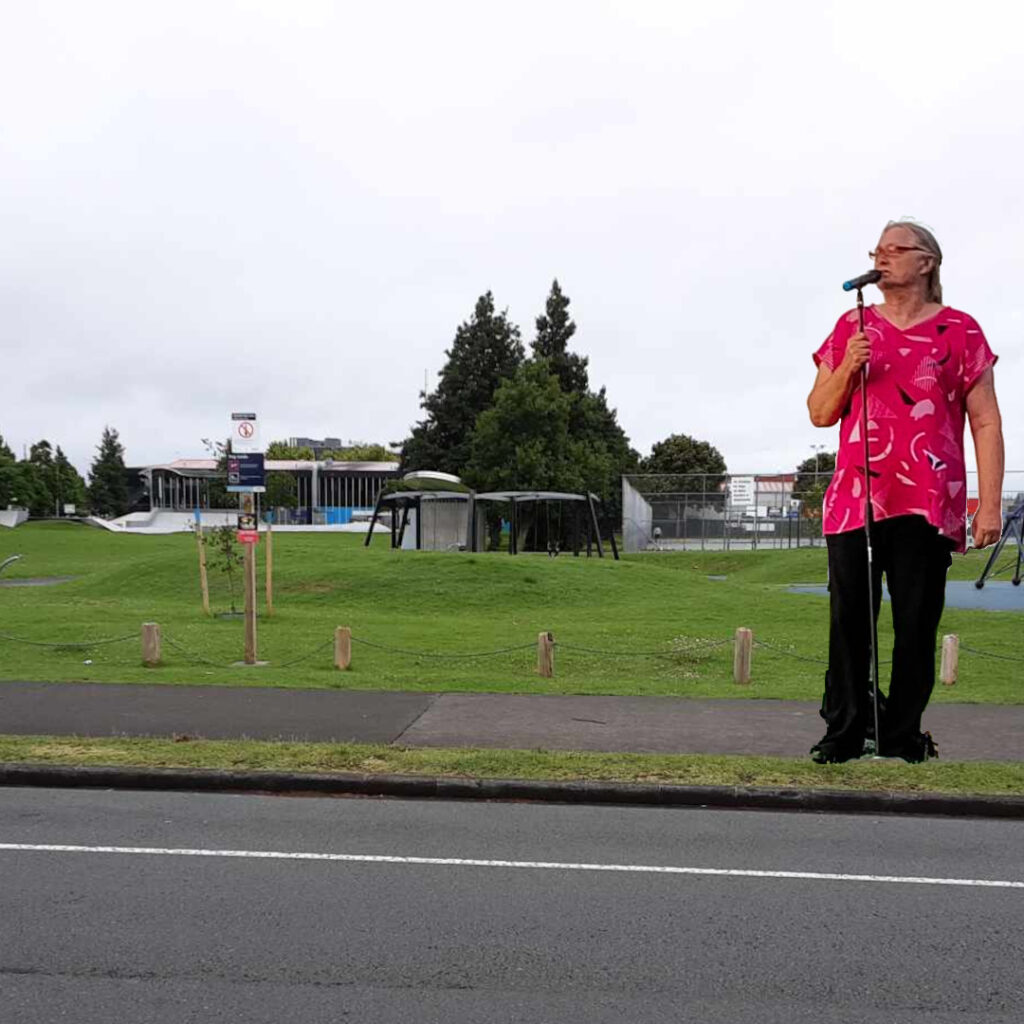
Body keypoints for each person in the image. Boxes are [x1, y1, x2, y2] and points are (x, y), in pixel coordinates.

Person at [806, 220, 1004, 763]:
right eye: (878, 250)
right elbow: (820, 413)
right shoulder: (852, 326)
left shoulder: (961, 331)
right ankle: (843, 733)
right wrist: (849, 363)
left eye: (896, 249)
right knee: (849, 622)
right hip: (856, 501)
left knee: (916, 623)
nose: (883, 256)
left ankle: (901, 735)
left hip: (927, 500)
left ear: (927, 262)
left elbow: (985, 422)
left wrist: (988, 504)